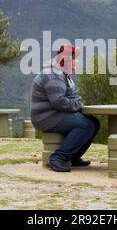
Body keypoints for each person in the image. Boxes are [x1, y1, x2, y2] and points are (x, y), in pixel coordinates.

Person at [30, 44, 100, 172]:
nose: (75, 62)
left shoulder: (61, 74)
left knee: (94, 122)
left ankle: (73, 156)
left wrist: (77, 104)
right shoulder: (53, 75)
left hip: (54, 114)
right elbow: (59, 102)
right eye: (73, 59)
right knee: (85, 125)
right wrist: (79, 105)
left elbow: (69, 97)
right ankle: (58, 158)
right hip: (46, 117)